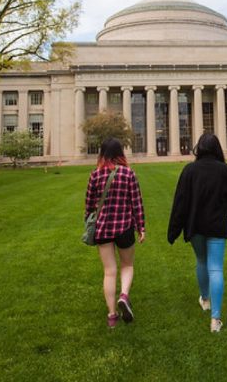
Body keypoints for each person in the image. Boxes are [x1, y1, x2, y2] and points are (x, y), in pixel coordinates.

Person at [168, 132, 227, 333]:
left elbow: (180, 203)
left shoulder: (189, 170)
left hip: (195, 225)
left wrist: (174, 230)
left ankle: (205, 299)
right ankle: (215, 320)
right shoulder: (226, 171)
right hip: (217, 225)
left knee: (202, 261)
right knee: (216, 268)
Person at [84, 138, 146, 328]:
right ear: (120, 153)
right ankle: (124, 295)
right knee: (127, 266)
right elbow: (136, 202)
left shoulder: (95, 174)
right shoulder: (128, 173)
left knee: (109, 272)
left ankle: (112, 316)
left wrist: (88, 222)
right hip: (124, 227)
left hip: (103, 228)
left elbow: (89, 205)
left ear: (102, 153)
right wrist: (141, 227)